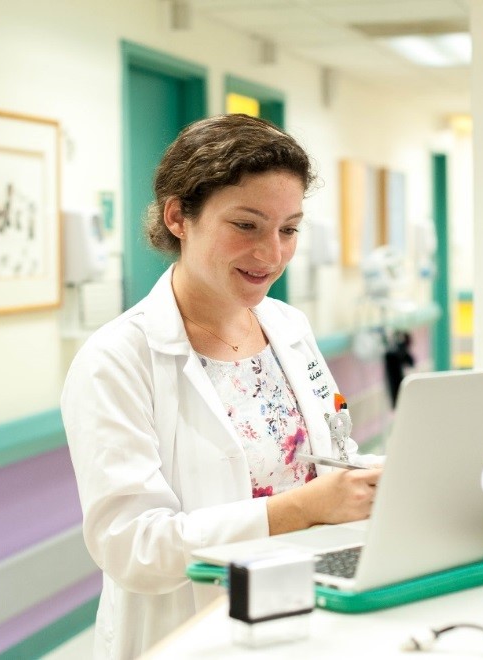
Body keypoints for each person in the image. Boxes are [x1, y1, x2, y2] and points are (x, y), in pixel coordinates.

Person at [60, 113, 382, 659]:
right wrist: (301, 509)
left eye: (289, 229)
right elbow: (134, 548)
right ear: (178, 217)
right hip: (196, 633)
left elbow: (331, 453)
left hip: (309, 610)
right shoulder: (116, 360)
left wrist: (367, 478)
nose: (272, 253)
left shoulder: (288, 329)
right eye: (246, 225)